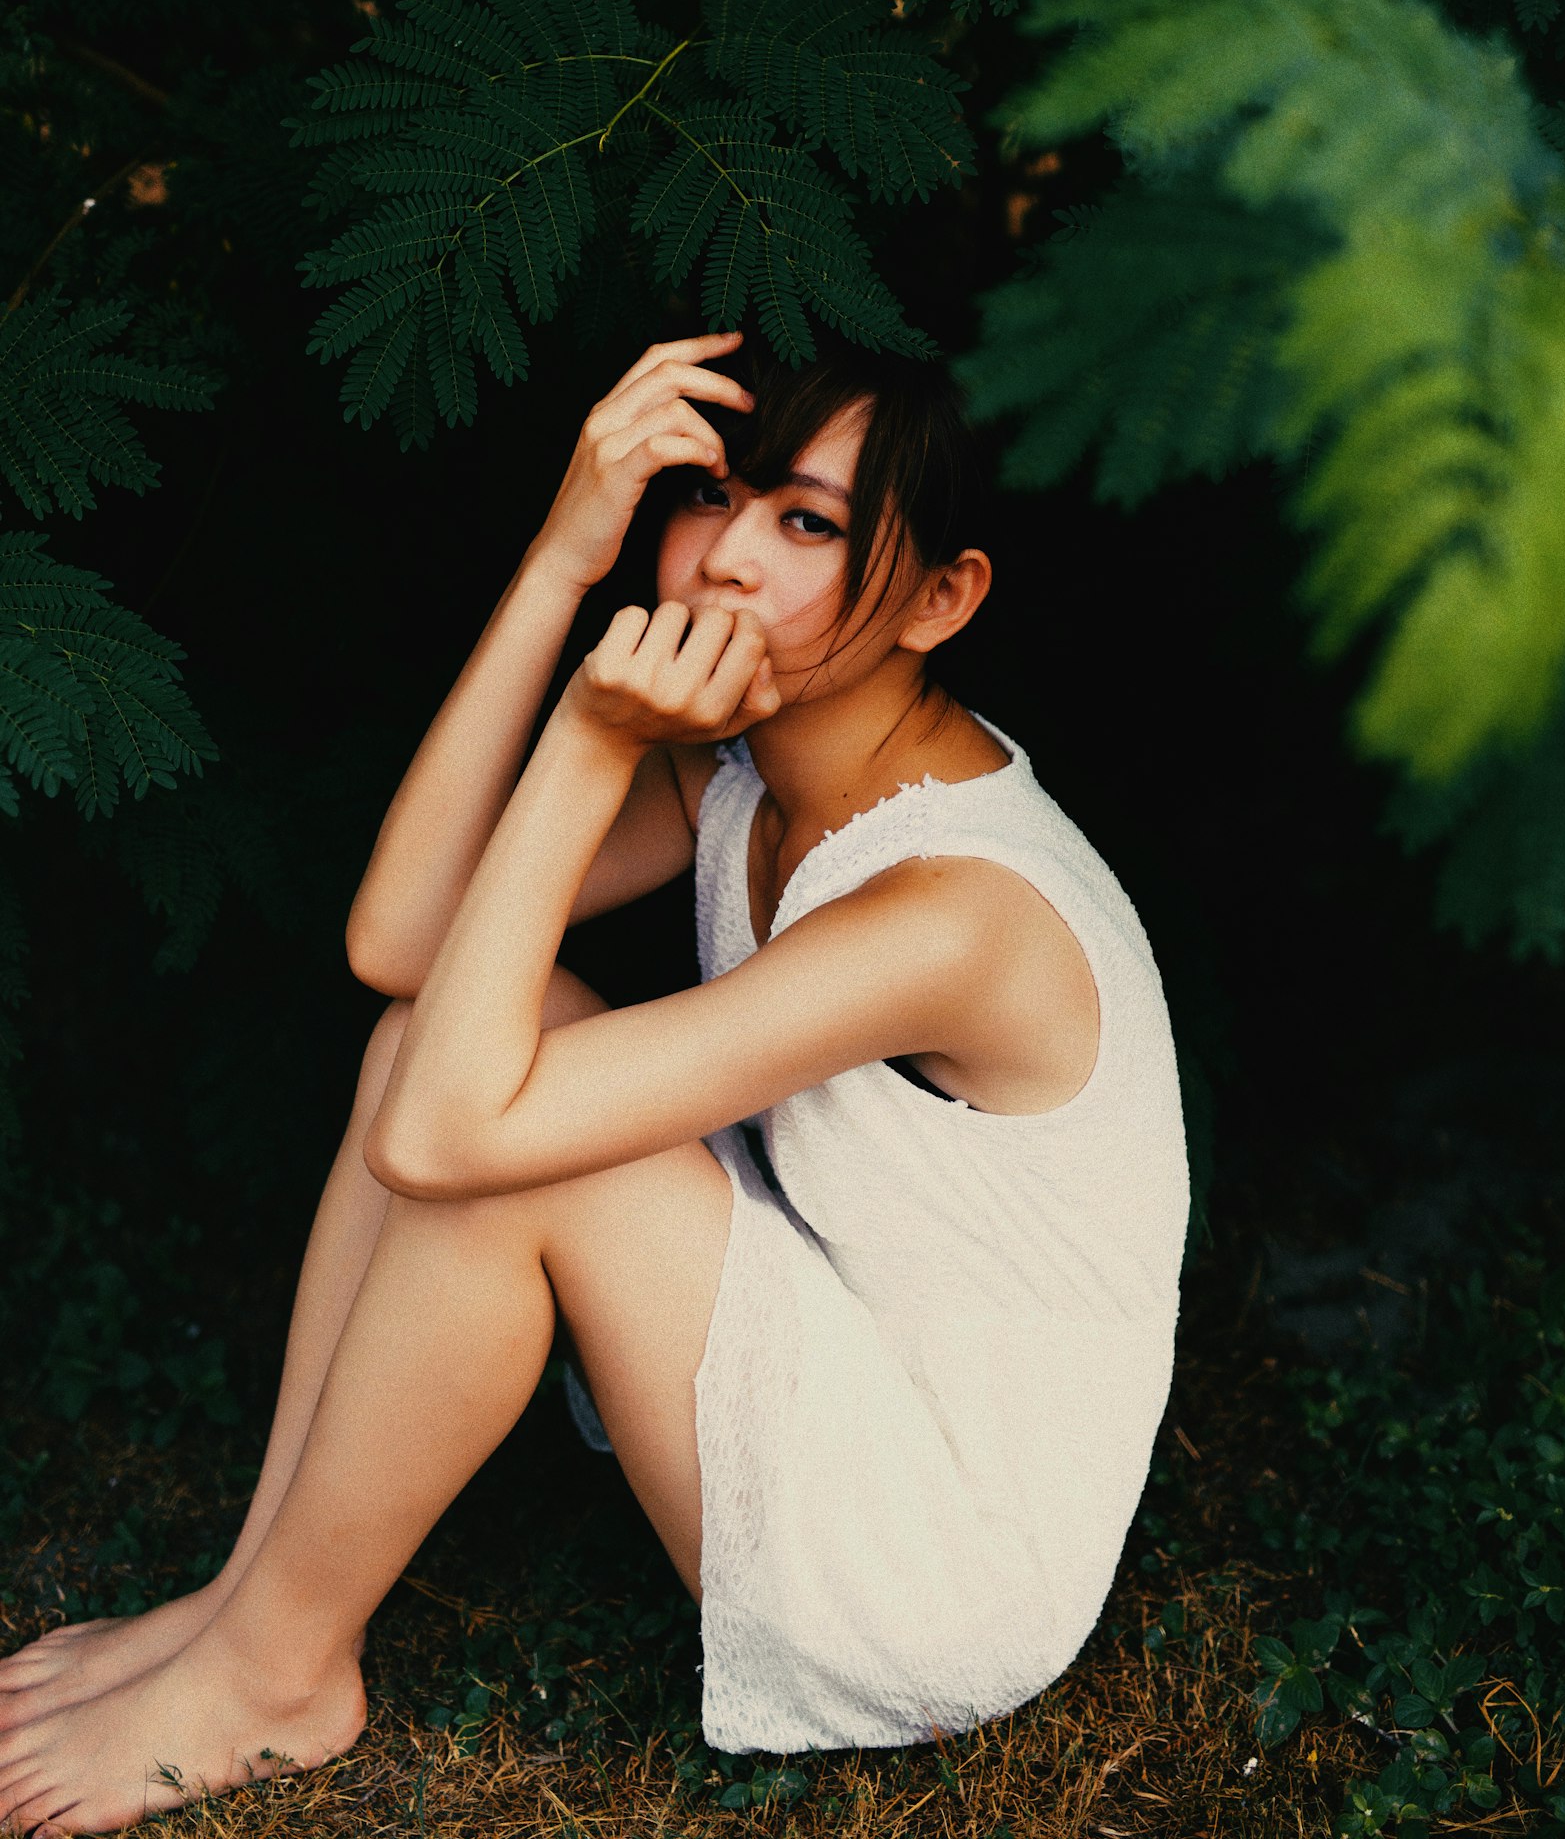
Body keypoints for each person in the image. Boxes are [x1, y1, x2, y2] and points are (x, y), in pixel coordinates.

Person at [0, 329, 1188, 1834]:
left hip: (943, 1562)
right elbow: (402, 942)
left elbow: (452, 1140)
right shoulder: (754, 769)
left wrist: (590, 731)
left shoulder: (957, 908)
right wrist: (564, 561)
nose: (724, 564)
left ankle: (276, 1674)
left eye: (807, 523)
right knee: (429, 1038)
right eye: (714, 498)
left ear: (943, 597)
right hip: (842, 1355)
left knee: (517, 1135)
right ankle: (253, 1596)